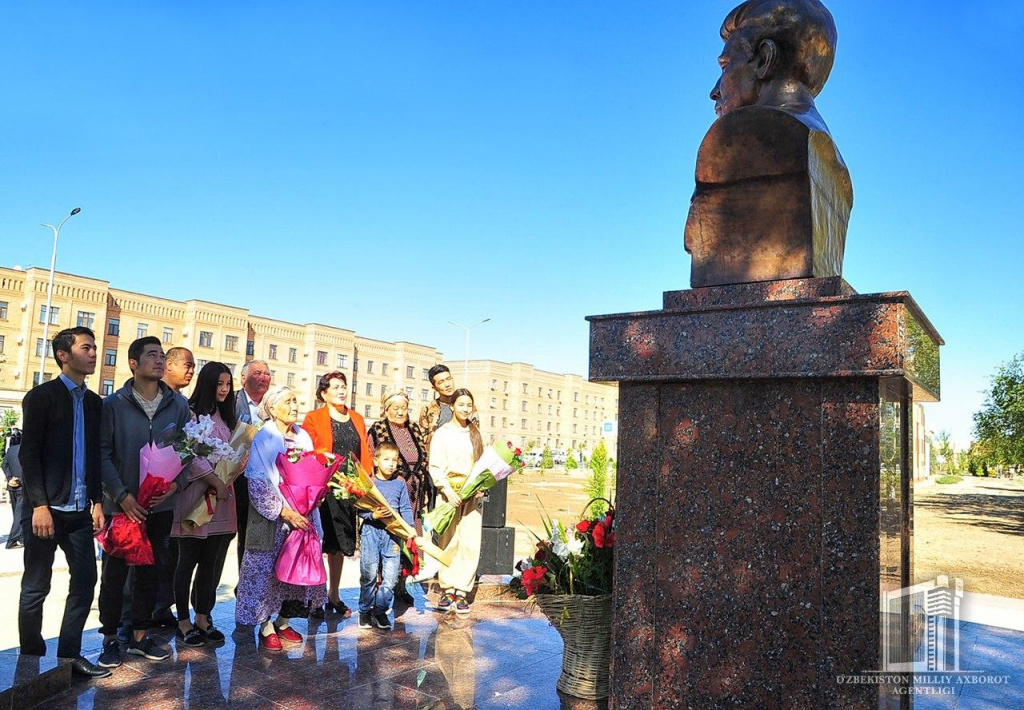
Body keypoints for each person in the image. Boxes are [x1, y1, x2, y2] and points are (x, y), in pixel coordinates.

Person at [17, 326, 109, 679]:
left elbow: (94, 457)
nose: (93, 354)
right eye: (86, 348)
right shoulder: (42, 397)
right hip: (45, 510)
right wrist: (38, 504)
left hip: (80, 512)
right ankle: (30, 658)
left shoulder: (93, 402)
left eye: (95, 348)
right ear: (63, 355)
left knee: (86, 579)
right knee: (36, 585)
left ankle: (69, 657)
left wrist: (97, 501)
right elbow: (29, 455)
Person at [96, 336, 191, 668]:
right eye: (152, 355)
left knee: (152, 572)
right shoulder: (112, 405)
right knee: (114, 574)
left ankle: (140, 636)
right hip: (121, 508)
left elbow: (187, 453)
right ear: (133, 363)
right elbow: (102, 455)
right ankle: (109, 637)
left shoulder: (179, 407)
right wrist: (121, 496)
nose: (160, 360)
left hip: (159, 507)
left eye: (163, 356)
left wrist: (176, 485)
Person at [235, 385, 326, 650]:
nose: (294, 406)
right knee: (266, 573)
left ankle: (284, 621)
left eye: (296, 400)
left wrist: (316, 496)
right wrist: (285, 512)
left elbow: (313, 472)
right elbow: (257, 482)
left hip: (304, 515)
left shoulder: (303, 437)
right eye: (288, 401)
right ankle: (265, 625)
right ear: (272, 408)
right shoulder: (263, 437)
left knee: (297, 571)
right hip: (273, 518)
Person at [171, 362, 237, 647]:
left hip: (221, 500)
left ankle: (203, 616)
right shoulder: (192, 412)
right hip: (196, 496)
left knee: (211, 562)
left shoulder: (227, 417)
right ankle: (183, 620)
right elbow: (188, 453)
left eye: (228, 384)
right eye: (219, 384)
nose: (224, 389)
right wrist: (215, 481)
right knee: (187, 561)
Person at [301, 372, 372, 618]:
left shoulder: (357, 418)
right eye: (336, 387)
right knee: (317, 543)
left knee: (338, 545)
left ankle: (334, 594)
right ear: (324, 393)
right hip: (321, 489)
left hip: (347, 490)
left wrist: (365, 485)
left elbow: (364, 453)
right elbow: (306, 452)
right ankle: (314, 596)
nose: (342, 391)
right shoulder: (313, 418)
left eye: (344, 387)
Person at [368, 386, 431, 599]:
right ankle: (382, 586)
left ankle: (402, 584)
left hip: (412, 495)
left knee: (410, 535)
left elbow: (423, 457)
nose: (401, 412)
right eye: (396, 408)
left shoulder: (414, 428)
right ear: (386, 409)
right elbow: (371, 460)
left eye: (404, 407)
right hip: (388, 492)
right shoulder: (378, 429)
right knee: (388, 537)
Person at [428, 388, 484, 615]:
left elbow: (483, 463)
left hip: (472, 495)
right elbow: (435, 465)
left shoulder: (475, 433)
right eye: (460, 404)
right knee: (449, 541)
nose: (465, 409)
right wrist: (447, 490)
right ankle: (448, 588)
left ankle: (462, 591)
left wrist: (480, 486)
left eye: (468, 405)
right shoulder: (443, 433)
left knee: (470, 542)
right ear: (451, 406)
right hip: (448, 494)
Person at [357, 441, 414, 631]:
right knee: (369, 574)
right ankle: (365, 611)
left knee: (390, 577)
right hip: (371, 532)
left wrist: (410, 529)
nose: (391, 464)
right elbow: (359, 508)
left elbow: (405, 508)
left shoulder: (399, 484)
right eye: (386, 459)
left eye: (394, 460)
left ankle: (380, 610)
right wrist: (373, 515)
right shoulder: (369, 483)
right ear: (376, 461)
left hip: (393, 535)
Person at [234, 360, 271, 574]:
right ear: (243, 378)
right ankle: (243, 581)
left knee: (261, 536)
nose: (263, 377)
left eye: (267, 374)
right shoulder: (231, 402)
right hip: (237, 480)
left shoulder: (274, 405)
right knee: (241, 533)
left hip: (267, 483)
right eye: (257, 373)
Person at [419, 364, 457, 440]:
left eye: (449, 379)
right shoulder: (427, 409)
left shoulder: (466, 406)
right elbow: (423, 439)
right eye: (441, 382)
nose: (447, 384)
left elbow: (475, 436)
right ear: (434, 388)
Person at [3, 429, 24, 548]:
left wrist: (10, 477)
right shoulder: (26, 450)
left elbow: (4, 464)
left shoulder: (10, 451)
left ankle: (22, 538)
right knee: (19, 514)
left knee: (16, 511)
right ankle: (12, 539)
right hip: (22, 486)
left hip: (12, 486)